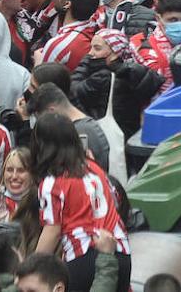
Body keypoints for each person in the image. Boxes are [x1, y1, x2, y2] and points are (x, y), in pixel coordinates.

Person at [31, 113, 131, 292]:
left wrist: (31, 270)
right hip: (121, 252)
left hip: (83, 257)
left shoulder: (52, 182)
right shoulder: (95, 169)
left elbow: (53, 231)